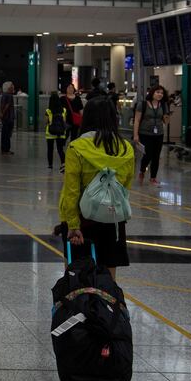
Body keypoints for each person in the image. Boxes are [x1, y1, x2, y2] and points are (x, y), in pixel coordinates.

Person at [58, 97, 134, 280]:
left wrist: (72, 224)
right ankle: (107, 304)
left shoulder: (77, 147)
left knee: (77, 271)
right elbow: (125, 186)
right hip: (113, 218)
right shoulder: (126, 149)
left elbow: (72, 190)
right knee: (109, 271)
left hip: (83, 219)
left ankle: (80, 304)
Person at [134, 85, 169, 186]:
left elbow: (166, 121)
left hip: (159, 133)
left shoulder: (163, 105)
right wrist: (135, 135)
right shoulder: (143, 104)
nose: (160, 95)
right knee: (147, 154)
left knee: (156, 156)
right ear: (152, 93)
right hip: (145, 133)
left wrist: (167, 115)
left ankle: (153, 178)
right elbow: (137, 120)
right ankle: (142, 171)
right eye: (158, 92)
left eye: (162, 93)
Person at [45, 92, 67, 172]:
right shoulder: (63, 110)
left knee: (50, 149)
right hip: (61, 133)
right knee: (60, 149)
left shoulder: (48, 111)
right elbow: (64, 121)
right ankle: (63, 164)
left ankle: (50, 165)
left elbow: (46, 122)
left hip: (50, 133)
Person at [0, 81, 15, 155]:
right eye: (12, 86)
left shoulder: (4, 95)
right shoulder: (9, 95)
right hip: (8, 117)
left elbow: (2, 105)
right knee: (7, 134)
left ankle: (4, 149)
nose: (13, 87)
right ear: (8, 87)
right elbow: (7, 105)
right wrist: (3, 113)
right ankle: (6, 149)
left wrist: (1, 113)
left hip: (5, 117)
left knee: (4, 133)